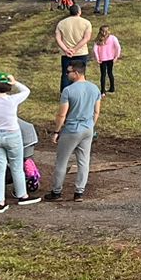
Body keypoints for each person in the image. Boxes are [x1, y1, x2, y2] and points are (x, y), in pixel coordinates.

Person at [0, 72, 40, 213]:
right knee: (16, 167)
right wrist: (15, 82)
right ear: (7, 86)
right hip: (13, 136)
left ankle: (0, 202)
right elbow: (27, 91)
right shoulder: (12, 100)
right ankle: (22, 196)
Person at [48, 61, 102, 201]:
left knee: (62, 161)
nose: (67, 74)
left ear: (76, 73)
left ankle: (56, 192)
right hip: (87, 129)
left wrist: (56, 131)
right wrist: (91, 125)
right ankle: (79, 192)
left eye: (69, 72)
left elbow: (62, 115)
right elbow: (96, 112)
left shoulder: (68, 91)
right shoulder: (95, 88)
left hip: (71, 130)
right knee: (83, 161)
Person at [54, 3, 92, 96]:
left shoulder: (61, 23)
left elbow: (58, 38)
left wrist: (66, 49)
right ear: (79, 12)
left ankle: (64, 94)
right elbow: (86, 38)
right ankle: (80, 93)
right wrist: (75, 49)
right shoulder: (86, 23)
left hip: (66, 54)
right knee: (80, 74)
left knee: (66, 74)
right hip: (81, 52)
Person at [94, 26, 121, 94]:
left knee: (103, 74)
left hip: (102, 59)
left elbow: (95, 50)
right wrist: (116, 56)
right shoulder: (113, 38)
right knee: (110, 73)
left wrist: (97, 58)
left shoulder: (98, 38)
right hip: (110, 58)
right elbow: (118, 47)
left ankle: (102, 91)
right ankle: (112, 88)